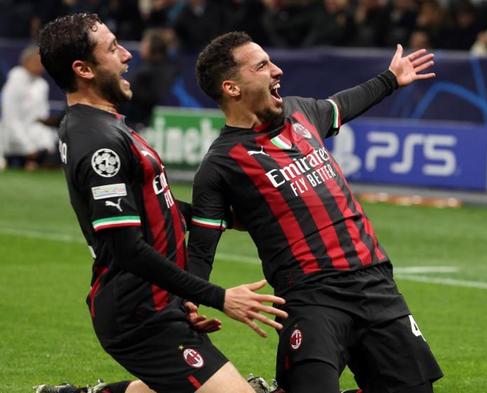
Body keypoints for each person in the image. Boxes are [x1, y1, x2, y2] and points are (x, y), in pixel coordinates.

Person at [37, 13, 287, 393]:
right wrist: (218, 297)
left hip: (155, 302)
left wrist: (224, 217)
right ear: (83, 69)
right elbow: (126, 249)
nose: (127, 55)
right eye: (113, 48)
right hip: (138, 314)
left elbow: (154, 202)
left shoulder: (104, 124)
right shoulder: (98, 140)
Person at [190, 32, 443, 393]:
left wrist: (390, 79)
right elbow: (202, 246)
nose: (277, 70)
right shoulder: (220, 165)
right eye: (262, 65)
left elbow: (343, 104)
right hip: (311, 297)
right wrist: (190, 303)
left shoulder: (300, 111)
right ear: (232, 88)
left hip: (375, 282)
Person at [0, 45, 58, 170]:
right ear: (26, 60)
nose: (41, 66)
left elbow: (42, 118)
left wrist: (48, 145)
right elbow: (11, 118)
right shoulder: (15, 81)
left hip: (38, 148)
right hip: (16, 149)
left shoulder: (42, 85)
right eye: (38, 61)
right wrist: (27, 148)